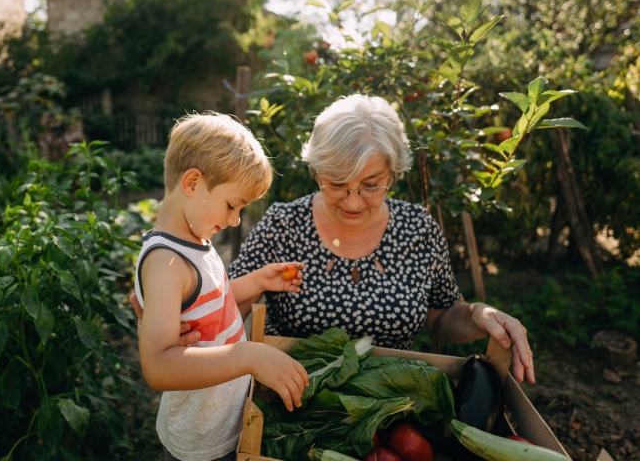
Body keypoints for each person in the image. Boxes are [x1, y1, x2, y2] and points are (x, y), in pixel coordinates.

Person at [227, 93, 536, 385]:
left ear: (392, 174)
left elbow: (442, 316)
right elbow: (226, 304)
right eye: (336, 184)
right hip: (293, 398)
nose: (352, 202)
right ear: (317, 171)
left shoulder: (417, 229)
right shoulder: (284, 225)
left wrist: (477, 314)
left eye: (371, 185)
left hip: (388, 400)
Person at [134, 112, 310, 461]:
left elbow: (212, 301)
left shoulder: (194, 238)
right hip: (201, 444)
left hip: (224, 421)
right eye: (232, 205)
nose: (234, 220)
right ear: (193, 183)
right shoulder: (166, 264)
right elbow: (158, 366)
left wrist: (258, 281)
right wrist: (247, 356)